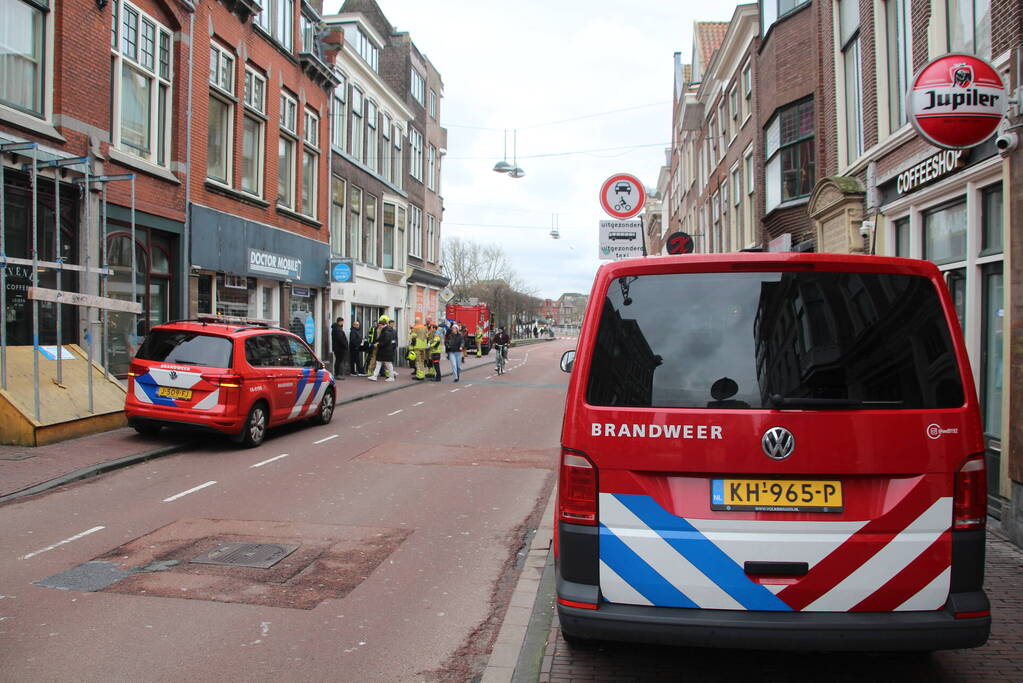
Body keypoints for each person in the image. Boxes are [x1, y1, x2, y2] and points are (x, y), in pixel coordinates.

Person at [368, 315, 397, 381]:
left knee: (388, 364)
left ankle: (391, 377)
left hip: (385, 351)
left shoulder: (386, 331)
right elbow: (382, 339)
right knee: (379, 363)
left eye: (380, 325)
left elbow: (385, 341)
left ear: (383, 325)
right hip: (385, 351)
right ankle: (375, 376)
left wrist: (378, 345)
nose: (379, 327)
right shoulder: (386, 330)